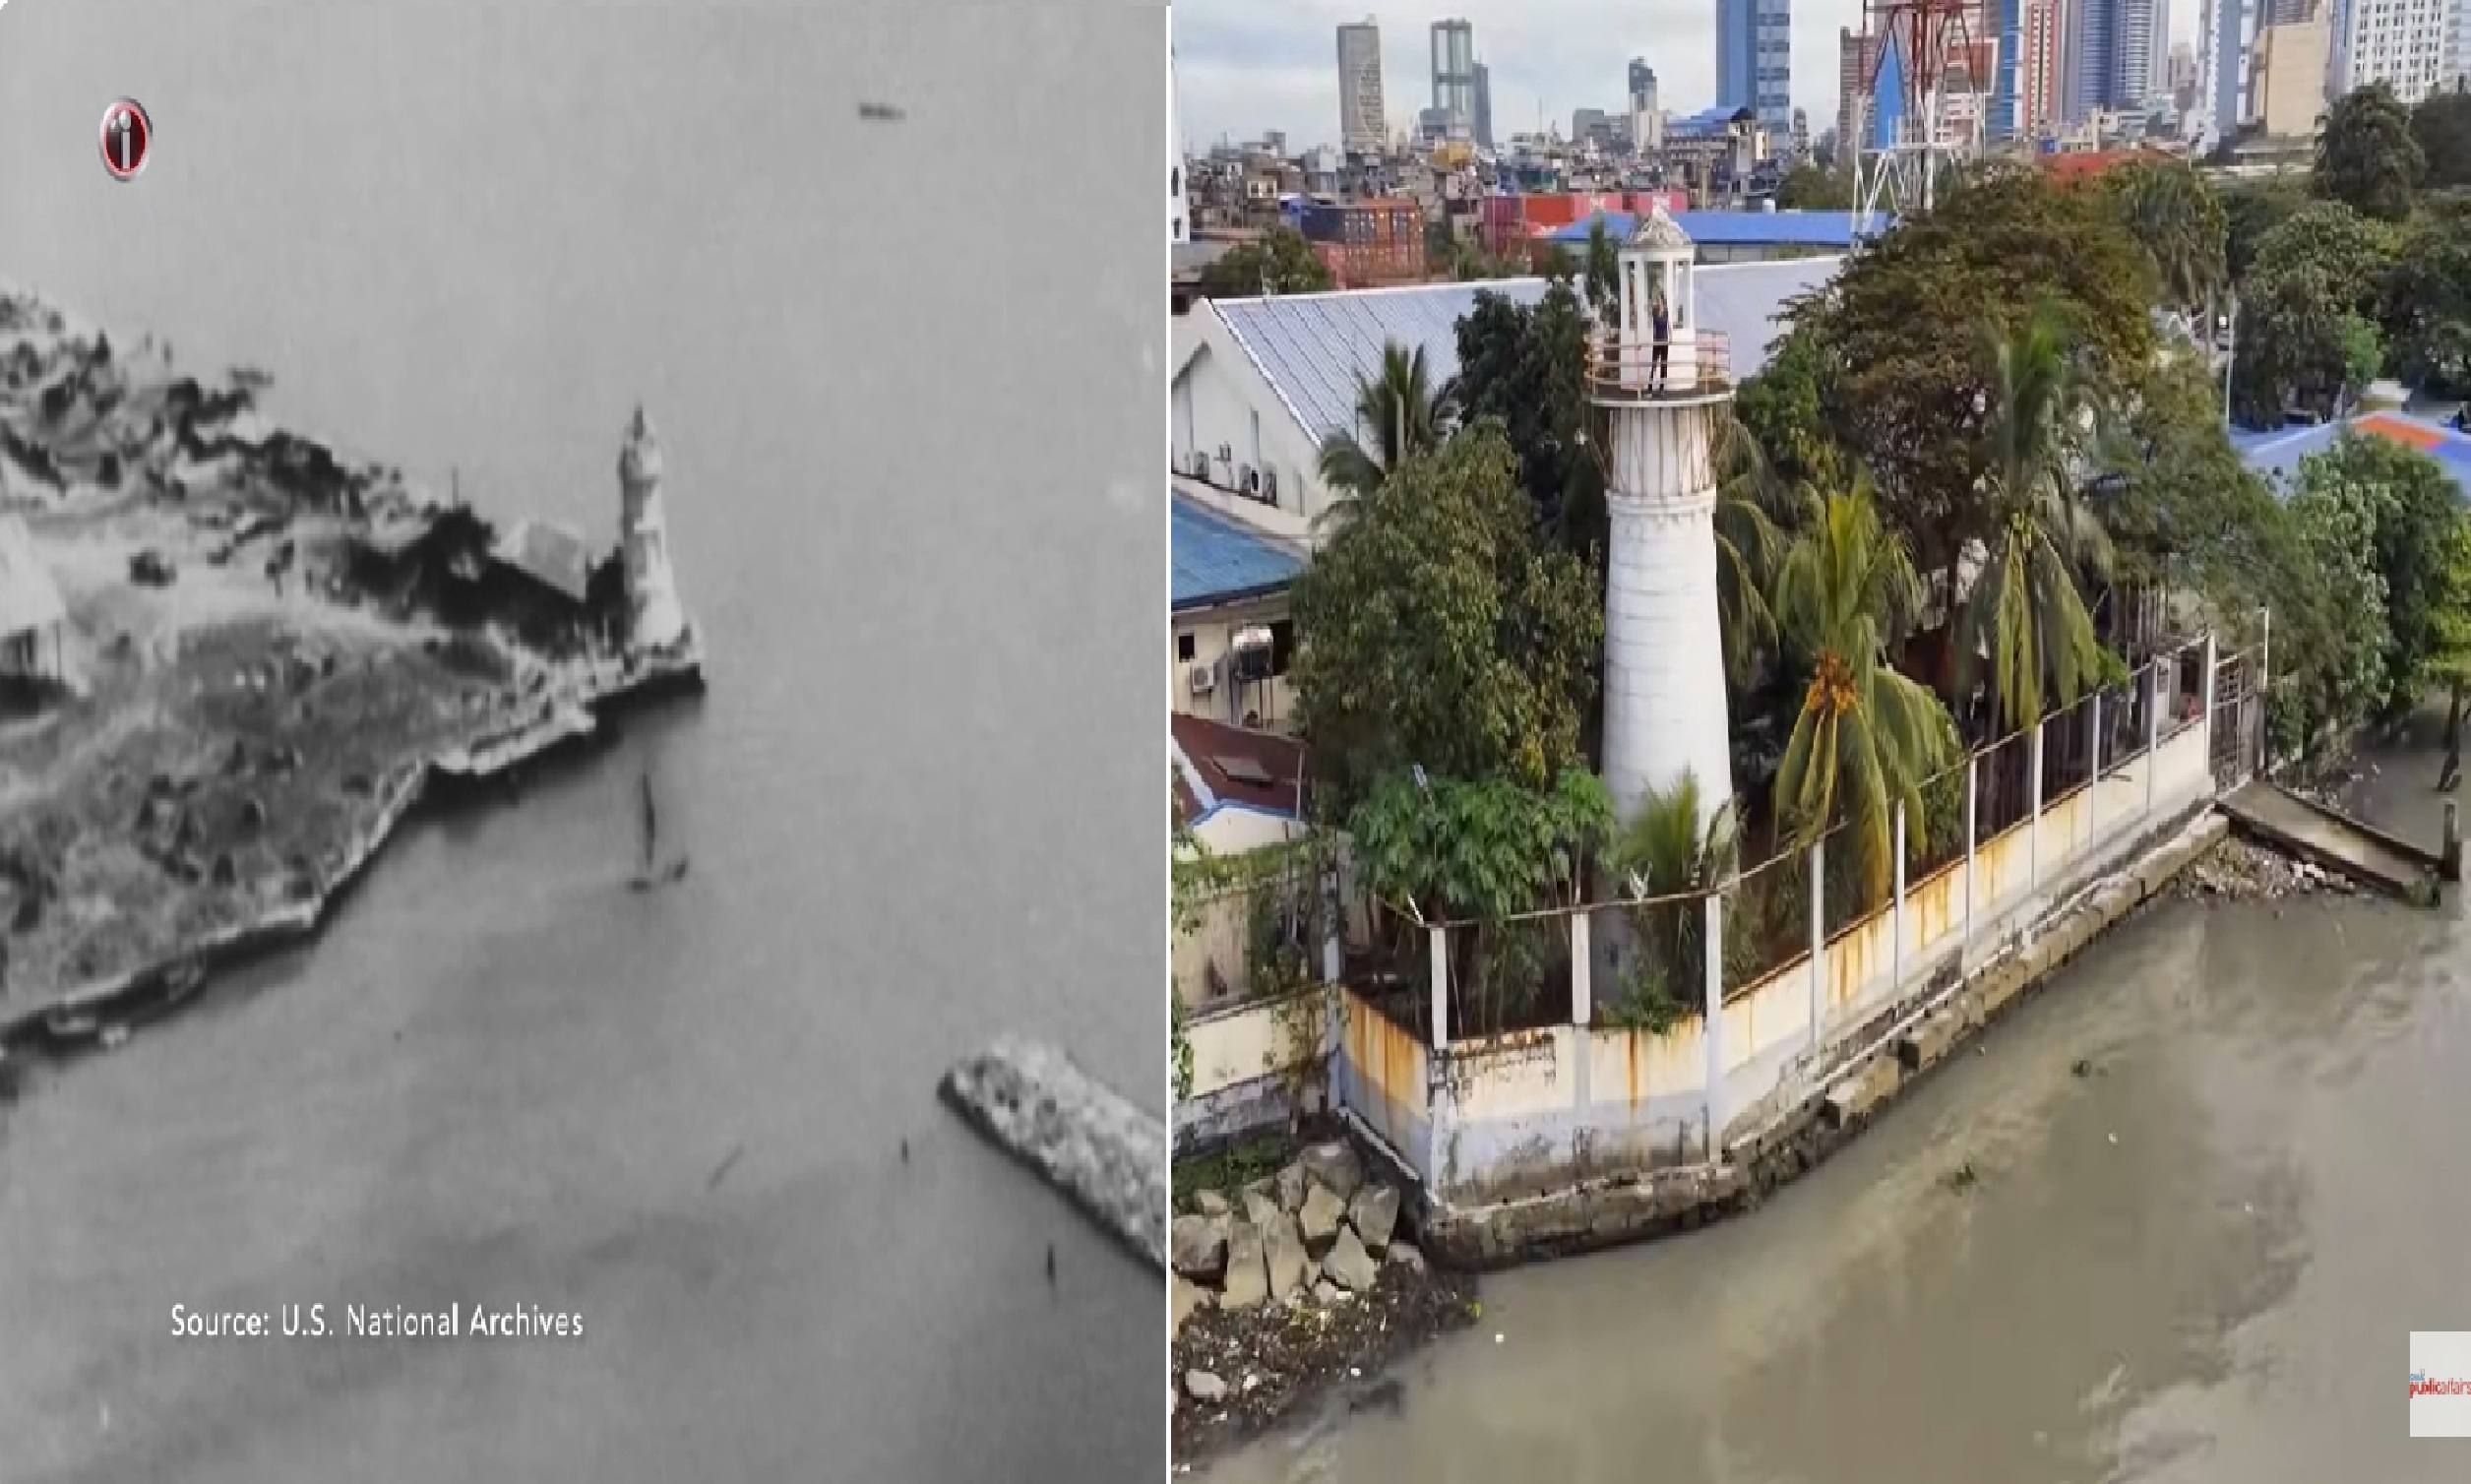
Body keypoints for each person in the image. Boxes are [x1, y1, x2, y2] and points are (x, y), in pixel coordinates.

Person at [1649, 292, 1671, 391]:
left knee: (1663, 364)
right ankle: (1650, 386)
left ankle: (1661, 388)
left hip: (1664, 341)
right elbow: (1654, 326)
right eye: (1657, 300)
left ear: (1662, 300)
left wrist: (1671, 337)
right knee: (1654, 364)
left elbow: (1668, 325)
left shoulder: (1666, 312)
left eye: (1659, 299)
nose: (1658, 301)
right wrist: (1653, 339)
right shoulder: (1654, 311)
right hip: (1657, 340)